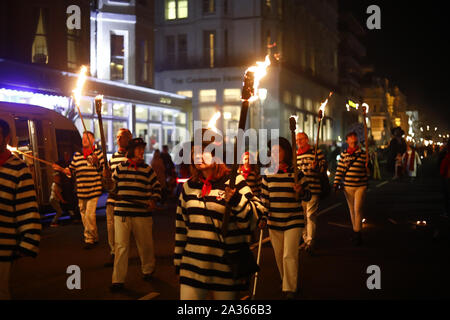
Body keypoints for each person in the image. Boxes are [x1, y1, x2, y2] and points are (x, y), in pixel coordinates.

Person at [174, 133, 263, 300]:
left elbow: (257, 216)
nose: (198, 155)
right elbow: (181, 228)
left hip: (224, 269)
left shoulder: (234, 181)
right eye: (194, 152)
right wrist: (179, 264)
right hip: (192, 268)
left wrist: (236, 200)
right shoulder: (188, 187)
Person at [260, 137, 311, 300]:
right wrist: (262, 216)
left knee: (289, 254)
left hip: (293, 220)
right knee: (279, 254)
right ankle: (286, 281)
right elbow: (264, 200)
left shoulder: (296, 173)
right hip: (274, 221)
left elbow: (308, 195)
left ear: (286, 152)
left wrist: (301, 190)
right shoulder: (267, 174)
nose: (275, 154)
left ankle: (290, 288)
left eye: (278, 150)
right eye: (272, 151)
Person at [110, 138, 162, 292]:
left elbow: (157, 188)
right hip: (122, 213)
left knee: (145, 244)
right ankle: (117, 280)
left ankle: (148, 270)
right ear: (132, 150)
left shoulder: (148, 169)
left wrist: (153, 199)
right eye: (138, 148)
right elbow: (111, 188)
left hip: (142, 214)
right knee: (121, 247)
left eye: (142, 148)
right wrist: (107, 180)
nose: (141, 151)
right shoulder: (119, 168)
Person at [0, 119, 41, 299]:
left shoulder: (18, 169)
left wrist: (27, 241)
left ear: (6, 138)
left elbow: (27, 208)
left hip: (3, 246)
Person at [53, 131, 104, 250]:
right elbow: (70, 171)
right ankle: (94, 236)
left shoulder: (98, 154)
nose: (84, 140)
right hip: (81, 191)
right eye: (83, 138)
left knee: (90, 216)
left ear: (93, 141)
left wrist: (97, 163)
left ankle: (89, 239)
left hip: (94, 190)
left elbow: (102, 171)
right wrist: (60, 169)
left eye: (87, 138)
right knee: (84, 217)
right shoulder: (77, 155)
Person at [333, 132, 369, 246]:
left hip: (360, 186)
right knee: (352, 210)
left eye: (355, 137)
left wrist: (369, 166)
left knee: (358, 209)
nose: (353, 139)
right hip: (348, 186)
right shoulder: (344, 155)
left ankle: (357, 233)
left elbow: (369, 171)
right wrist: (336, 183)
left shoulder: (364, 154)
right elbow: (340, 170)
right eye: (350, 137)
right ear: (347, 141)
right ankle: (356, 231)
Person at [103, 128, 132, 267]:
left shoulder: (131, 158)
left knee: (124, 230)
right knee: (110, 227)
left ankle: (122, 253)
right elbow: (107, 179)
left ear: (128, 139)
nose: (118, 139)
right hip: (112, 198)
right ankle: (113, 252)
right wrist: (104, 174)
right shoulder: (113, 157)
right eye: (117, 136)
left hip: (125, 199)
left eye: (122, 136)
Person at [295, 132, 327, 255]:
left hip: (313, 188)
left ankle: (310, 242)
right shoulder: (295, 155)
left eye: (301, 139)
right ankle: (305, 239)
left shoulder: (315, 152)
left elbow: (324, 166)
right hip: (301, 190)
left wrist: (317, 165)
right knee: (302, 217)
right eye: (297, 140)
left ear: (307, 139)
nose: (299, 142)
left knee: (310, 216)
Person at [439, 140, 450, 218]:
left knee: (447, 196)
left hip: (448, 178)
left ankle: (447, 212)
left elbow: (443, 168)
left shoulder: (447, 155)